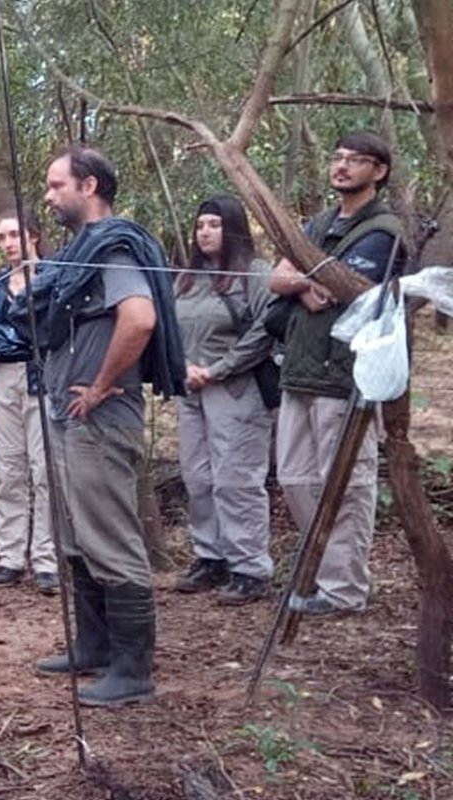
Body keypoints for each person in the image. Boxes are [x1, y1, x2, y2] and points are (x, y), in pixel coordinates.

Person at [18, 145, 187, 708]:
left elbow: (139, 319)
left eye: (55, 184)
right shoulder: (81, 251)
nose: (48, 195)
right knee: (76, 535)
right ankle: (93, 647)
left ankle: (132, 670)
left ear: (88, 186)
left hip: (100, 416)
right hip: (68, 415)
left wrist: (99, 383)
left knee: (111, 538)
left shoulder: (116, 247)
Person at [268, 131, 410, 616]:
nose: (343, 165)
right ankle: (317, 573)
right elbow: (277, 277)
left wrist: (304, 281)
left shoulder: (384, 230)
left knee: (346, 483)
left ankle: (345, 588)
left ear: (380, 171)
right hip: (301, 368)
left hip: (346, 372)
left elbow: (350, 287)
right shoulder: (320, 222)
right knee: (294, 477)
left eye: (357, 159)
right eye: (338, 156)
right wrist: (306, 282)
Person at [174, 195, 276, 605]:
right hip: (189, 389)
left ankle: (249, 567)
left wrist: (219, 368)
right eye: (200, 225)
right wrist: (181, 365)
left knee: (237, 479)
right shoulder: (184, 277)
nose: (205, 232)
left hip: (236, 389)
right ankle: (210, 556)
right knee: (198, 477)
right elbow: (166, 325)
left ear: (232, 228)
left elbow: (264, 331)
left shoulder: (254, 274)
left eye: (214, 224)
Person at [0, 214, 57, 594]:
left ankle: (47, 559)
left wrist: (24, 340)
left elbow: (53, 334)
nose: (8, 243)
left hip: (44, 380)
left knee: (45, 471)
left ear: (34, 237)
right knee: (9, 470)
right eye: (2, 237)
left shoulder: (53, 279)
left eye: (15, 235)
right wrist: (24, 341)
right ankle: (9, 556)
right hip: (3, 380)